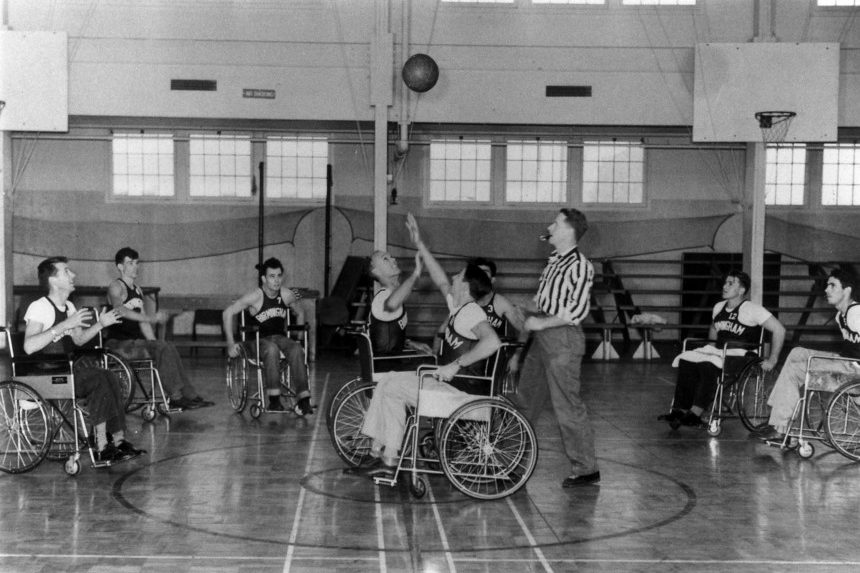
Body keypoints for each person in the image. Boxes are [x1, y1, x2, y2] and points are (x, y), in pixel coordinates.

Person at [356, 214, 502, 477]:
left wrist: (456, 365)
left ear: (466, 287)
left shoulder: (471, 313)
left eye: (457, 277)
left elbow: (493, 341)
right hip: (451, 386)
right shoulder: (461, 307)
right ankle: (379, 454)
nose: (451, 280)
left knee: (391, 387)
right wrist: (419, 243)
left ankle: (386, 457)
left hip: (460, 393)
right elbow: (439, 279)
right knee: (389, 381)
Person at [23, 257, 145, 464]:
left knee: (109, 376)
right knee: (99, 378)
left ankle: (118, 440)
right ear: (53, 280)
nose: (73, 275)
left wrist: (100, 324)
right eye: (66, 271)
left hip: (66, 371)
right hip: (47, 374)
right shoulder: (39, 307)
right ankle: (100, 445)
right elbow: (29, 346)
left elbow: (78, 339)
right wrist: (63, 326)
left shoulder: (69, 306)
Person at [513, 208, 599, 488]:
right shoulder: (553, 260)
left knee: (567, 405)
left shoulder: (580, 265)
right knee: (526, 397)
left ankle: (586, 468)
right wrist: (523, 307)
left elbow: (574, 311)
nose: (549, 226)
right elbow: (543, 301)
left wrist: (540, 323)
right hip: (544, 338)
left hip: (563, 339)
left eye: (555, 222)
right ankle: (513, 457)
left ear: (568, 230)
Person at [659, 271, 785, 429]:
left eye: (730, 283)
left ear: (741, 290)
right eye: (725, 283)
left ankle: (695, 414)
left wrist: (773, 359)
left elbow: (779, 330)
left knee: (708, 365)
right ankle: (679, 410)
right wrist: (711, 347)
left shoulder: (753, 309)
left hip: (742, 355)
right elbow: (713, 327)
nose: (725, 286)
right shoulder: (719, 307)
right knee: (687, 359)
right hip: (721, 352)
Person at [756, 267, 860, 442]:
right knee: (797, 352)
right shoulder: (840, 315)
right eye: (827, 285)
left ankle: (780, 426)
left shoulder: (856, 313)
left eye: (832, 286)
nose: (826, 290)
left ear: (847, 290)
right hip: (847, 361)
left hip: (854, 369)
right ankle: (778, 415)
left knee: (796, 370)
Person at [105, 247, 212, 410]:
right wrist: (152, 318)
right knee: (163, 347)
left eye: (137, 263)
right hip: (118, 345)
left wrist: (155, 344)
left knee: (167, 346)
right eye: (130, 263)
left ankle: (189, 395)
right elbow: (119, 310)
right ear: (120, 267)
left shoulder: (138, 290)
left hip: (134, 343)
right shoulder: (116, 286)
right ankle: (176, 397)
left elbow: (143, 323)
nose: (135, 266)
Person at [222, 257, 313, 415]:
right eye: (272, 276)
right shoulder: (254, 296)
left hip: (279, 338)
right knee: (271, 349)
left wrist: (297, 334)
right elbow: (227, 313)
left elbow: (300, 311)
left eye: (279, 276)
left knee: (297, 347)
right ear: (264, 278)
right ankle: (274, 400)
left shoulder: (286, 294)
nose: (276, 280)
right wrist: (230, 343)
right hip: (255, 341)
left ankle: (304, 400)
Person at [366, 250, 433, 358]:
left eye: (391, 256)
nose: (393, 259)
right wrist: (416, 273)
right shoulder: (382, 297)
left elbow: (385, 335)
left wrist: (409, 343)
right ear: (376, 271)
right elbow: (391, 304)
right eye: (385, 259)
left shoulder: (390, 295)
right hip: (387, 370)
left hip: (390, 366)